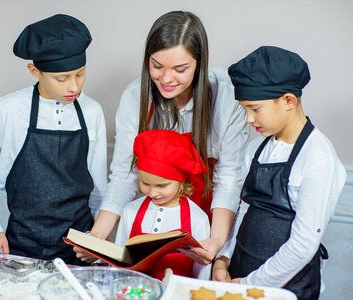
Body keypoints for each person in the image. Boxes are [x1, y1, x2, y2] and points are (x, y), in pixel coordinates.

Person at [75, 10, 249, 265]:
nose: (166, 79)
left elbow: (229, 179)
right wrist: (96, 238)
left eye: (180, 69)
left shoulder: (226, 96)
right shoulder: (136, 97)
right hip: (156, 218)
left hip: (211, 218)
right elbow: (124, 176)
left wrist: (216, 243)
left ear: (200, 64)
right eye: (157, 66)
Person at [0, 14, 107, 265]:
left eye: (80, 74)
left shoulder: (92, 111)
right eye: (62, 78)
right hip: (21, 247)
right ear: (35, 71)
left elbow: (99, 187)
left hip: (79, 249)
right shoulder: (8, 110)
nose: (74, 87)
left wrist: (97, 239)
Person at [212, 46, 346, 300]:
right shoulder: (255, 148)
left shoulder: (318, 158)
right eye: (244, 110)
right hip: (240, 274)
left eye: (255, 109)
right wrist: (224, 258)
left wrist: (252, 285)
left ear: (288, 101)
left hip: (284, 289)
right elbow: (244, 210)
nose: (249, 119)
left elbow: (303, 245)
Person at [114, 130, 211, 280]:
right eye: (145, 183)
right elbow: (117, 259)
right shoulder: (130, 211)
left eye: (162, 185)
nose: (153, 193)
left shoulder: (198, 218)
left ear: (181, 181)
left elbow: (202, 271)